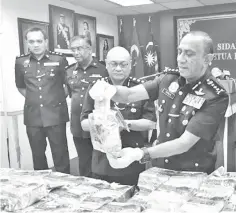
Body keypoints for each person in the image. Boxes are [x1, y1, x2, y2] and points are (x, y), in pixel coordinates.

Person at [90, 31, 229, 174]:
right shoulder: (168, 79)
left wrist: (140, 154)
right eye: (179, 52)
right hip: (161, 165)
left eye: (189, 54)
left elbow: (184, 143)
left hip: (192, 171)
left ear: (207, 59)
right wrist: (109, 90)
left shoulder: (215, 95)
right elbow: (129, 94)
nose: (181, 59)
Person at [80, 47, 156, 185]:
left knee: (131, 200)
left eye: (123, 64)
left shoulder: (139, 89)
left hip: (131, 157)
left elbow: (150, 123)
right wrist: (102, 124)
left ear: (131, 64)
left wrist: (124, 124)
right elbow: (84, 123)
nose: (118, 68)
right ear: (107, 65)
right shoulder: (97, 88)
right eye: (114, 64)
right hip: (102, 159)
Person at [15, 27, 70, 173]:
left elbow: (68, 85)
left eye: (39, 41)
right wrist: (35, 99)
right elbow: (20, 86)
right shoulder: (21, 62)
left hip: (56, 115)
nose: (35, 44)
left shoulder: (59, 60)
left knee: (60, 156)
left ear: (46, 42)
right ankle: (41, 186)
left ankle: (65, 186)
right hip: (33, 117)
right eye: (31, 41)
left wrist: (53, 99)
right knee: (38, 156)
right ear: (27, 43)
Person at [65, 35, 108, 177]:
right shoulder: (69, 71)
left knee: (101, 160)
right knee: (83, 161)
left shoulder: (103, 70)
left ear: (89, 49)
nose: (76, 52)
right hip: (78, 124)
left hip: (98, 123)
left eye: (79, 48)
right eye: (73, 49)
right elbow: (71, 94)